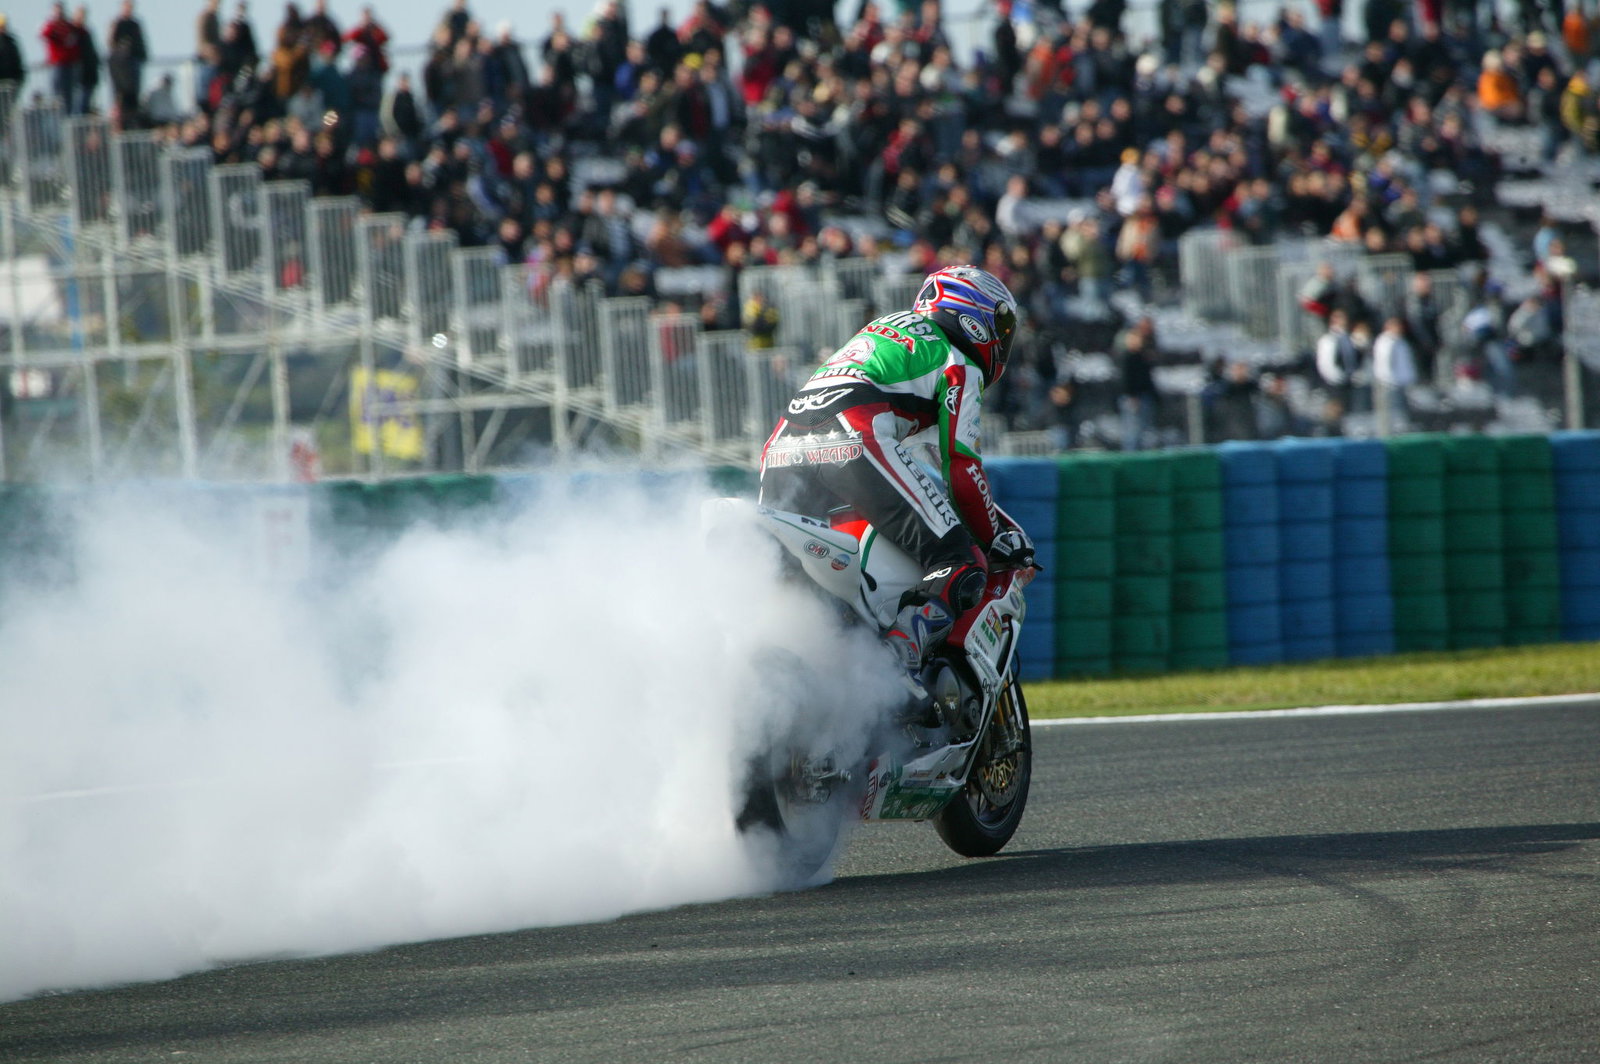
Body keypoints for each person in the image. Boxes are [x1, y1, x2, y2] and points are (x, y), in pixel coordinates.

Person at [758, 265, 1034, 680]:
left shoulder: (883, 327)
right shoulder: (958, 361)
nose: (1004, 337)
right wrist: (992, 537)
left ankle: (827, 681)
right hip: (852, 438)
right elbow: (960, 464)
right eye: (1002, 324)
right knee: (960, 562)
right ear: (973, 317)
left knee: (815, 593)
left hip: (781, 448)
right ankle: (893, 672)